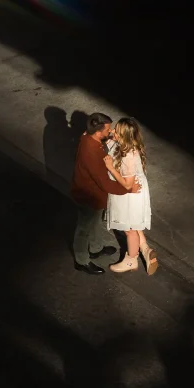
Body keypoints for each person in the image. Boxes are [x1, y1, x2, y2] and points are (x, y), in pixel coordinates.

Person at [69, 112, 141, 275]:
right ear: (98, 131)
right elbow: (105, 182)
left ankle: (96, 248)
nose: (111, 131)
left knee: (95, 222)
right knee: (84, 228)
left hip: (93, 194)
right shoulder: (92, 153)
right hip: (88, 196)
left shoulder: (88, 138)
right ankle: (81, 260)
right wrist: (127, 189)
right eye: (108, 129)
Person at [102, 117, 157, 275]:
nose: (113, 131)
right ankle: (145, 250)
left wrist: (110, 168)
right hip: (130, 193)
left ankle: (131, 260)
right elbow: (107, 141)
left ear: (124, 136)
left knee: (130, 229)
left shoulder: (128, 155)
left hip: (130, 195)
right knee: (132, 223)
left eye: (117, 130)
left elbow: (127, 184)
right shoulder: (122, 145)